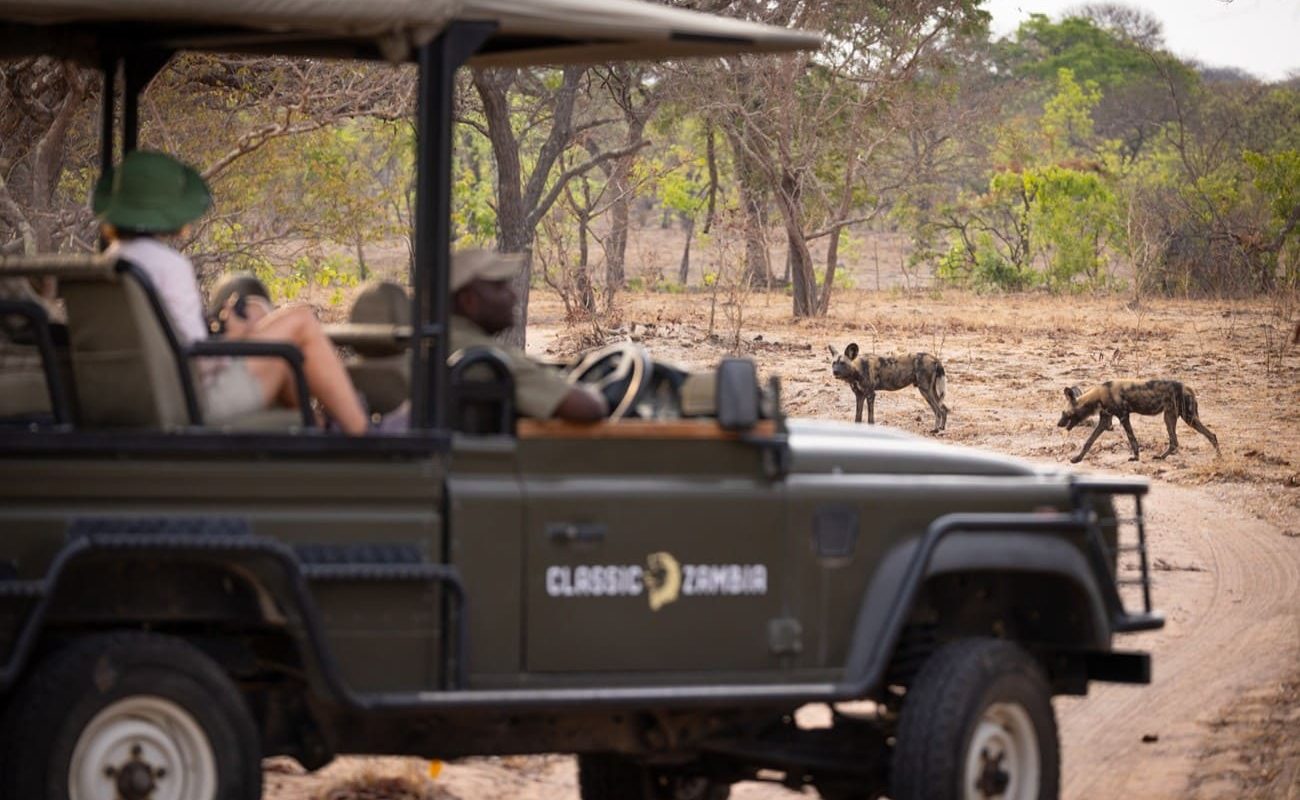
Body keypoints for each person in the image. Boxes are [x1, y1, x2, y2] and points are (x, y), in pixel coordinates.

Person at [94, 150, 369, 434]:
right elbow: (201, 363)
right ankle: (364, 436)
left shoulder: (107, 264)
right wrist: (238, 338)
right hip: (192, 402)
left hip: (139, 398)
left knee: (279, 359)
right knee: (300, 321)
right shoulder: (168, 266)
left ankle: (321, 429)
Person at [449, 249, 607, 421]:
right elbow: (588, 408)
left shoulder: (448, 340)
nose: (514, 295)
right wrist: (597, 392)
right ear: (468, 301)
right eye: (499, 286)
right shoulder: (478, 353)